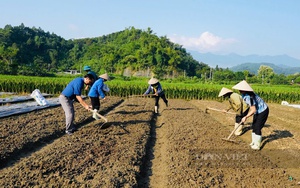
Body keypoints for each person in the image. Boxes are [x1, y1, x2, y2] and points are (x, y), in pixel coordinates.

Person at [232, 80, 269, 150]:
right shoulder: (244, 95)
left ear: (245, 90)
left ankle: (257, 145)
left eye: (241, 89)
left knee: (257, 127)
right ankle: (254, 142)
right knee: (254, 126)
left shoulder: (250, 97)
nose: (239, 90)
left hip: (263, 111)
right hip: (257, 111)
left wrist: (245, 117)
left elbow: (253, 109)